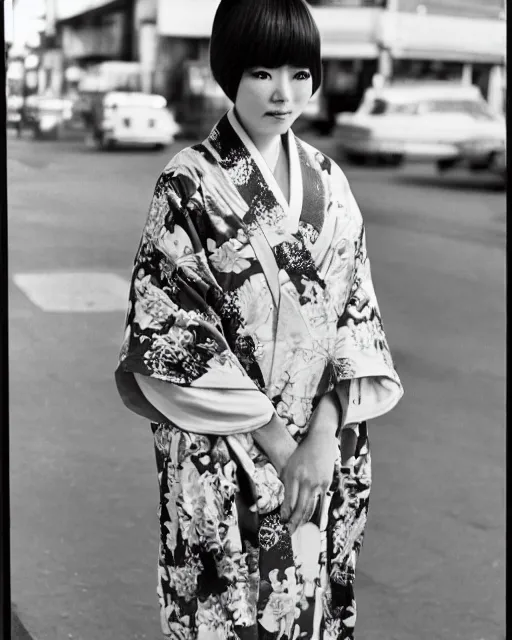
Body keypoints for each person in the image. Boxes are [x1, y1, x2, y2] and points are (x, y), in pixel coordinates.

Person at [115, 1, 403, 638]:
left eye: (300, 73)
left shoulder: (331, 181)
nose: (283, 92)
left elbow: (357, 315)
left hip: (322, 447)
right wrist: (280, 443)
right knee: (232, 610)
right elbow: (173, 328)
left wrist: (323, 434)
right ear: (229, 74)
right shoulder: (187, 182)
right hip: (225, 440)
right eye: (263, 73)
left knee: (312, 605)